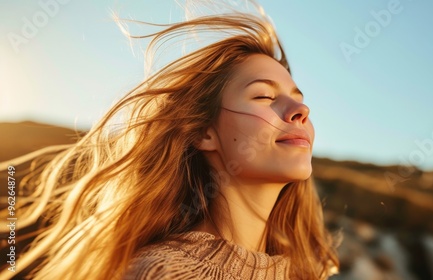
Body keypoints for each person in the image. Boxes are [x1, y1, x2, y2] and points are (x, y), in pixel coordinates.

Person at [0, 1, 339, 279]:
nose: (301, 109)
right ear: (204, 133)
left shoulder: (307, 273)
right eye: (264, 97)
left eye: (298, 97)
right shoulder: (162, 273)